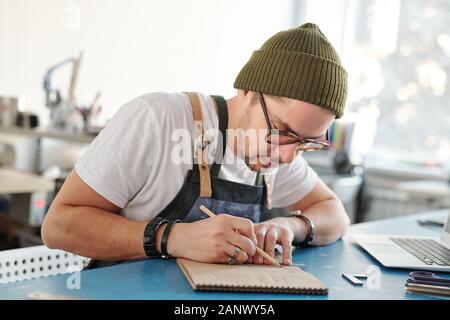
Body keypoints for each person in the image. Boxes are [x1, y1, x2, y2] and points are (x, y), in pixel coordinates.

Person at [41, 23, 350, 268]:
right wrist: (173, 237)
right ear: (247, 91)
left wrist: (293, 226)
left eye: (306, 142)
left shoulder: (276, 151)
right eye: (282, 130)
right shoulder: (159, 119)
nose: (287, 156)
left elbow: (335, 214)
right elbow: (57, 225)